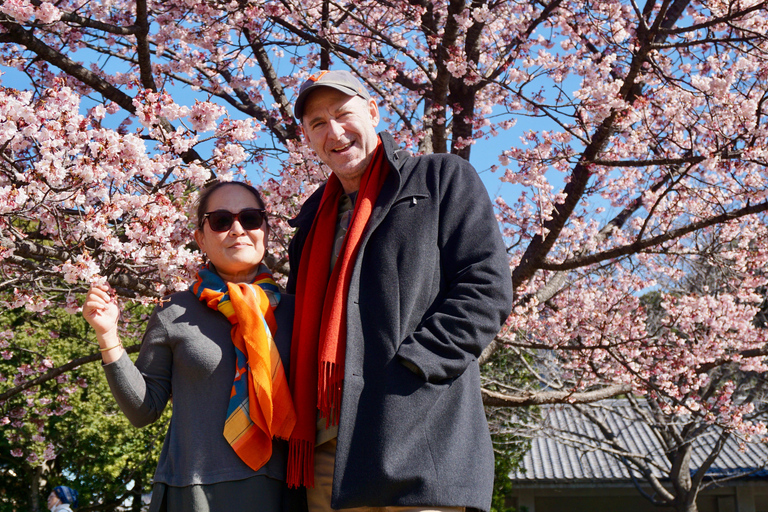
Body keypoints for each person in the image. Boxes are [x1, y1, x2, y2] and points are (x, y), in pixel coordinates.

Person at [285, 70, 515, 512]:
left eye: (342, 114)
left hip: (418, 435)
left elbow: (485, 284)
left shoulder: (439, 178)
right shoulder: (311, 221)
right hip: (329, 451)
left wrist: (414, 367)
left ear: (372, 112)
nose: (333, 131)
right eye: (317, 123)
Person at [82, 181, 298, 512]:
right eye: (221, 221)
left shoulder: (300, 312)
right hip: (194, 492)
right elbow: (143, 410)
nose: (237, 229)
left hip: (285, 491)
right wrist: (108, 336)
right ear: (200, 238)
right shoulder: (173, 310)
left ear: (266, 231)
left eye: (251, 218)